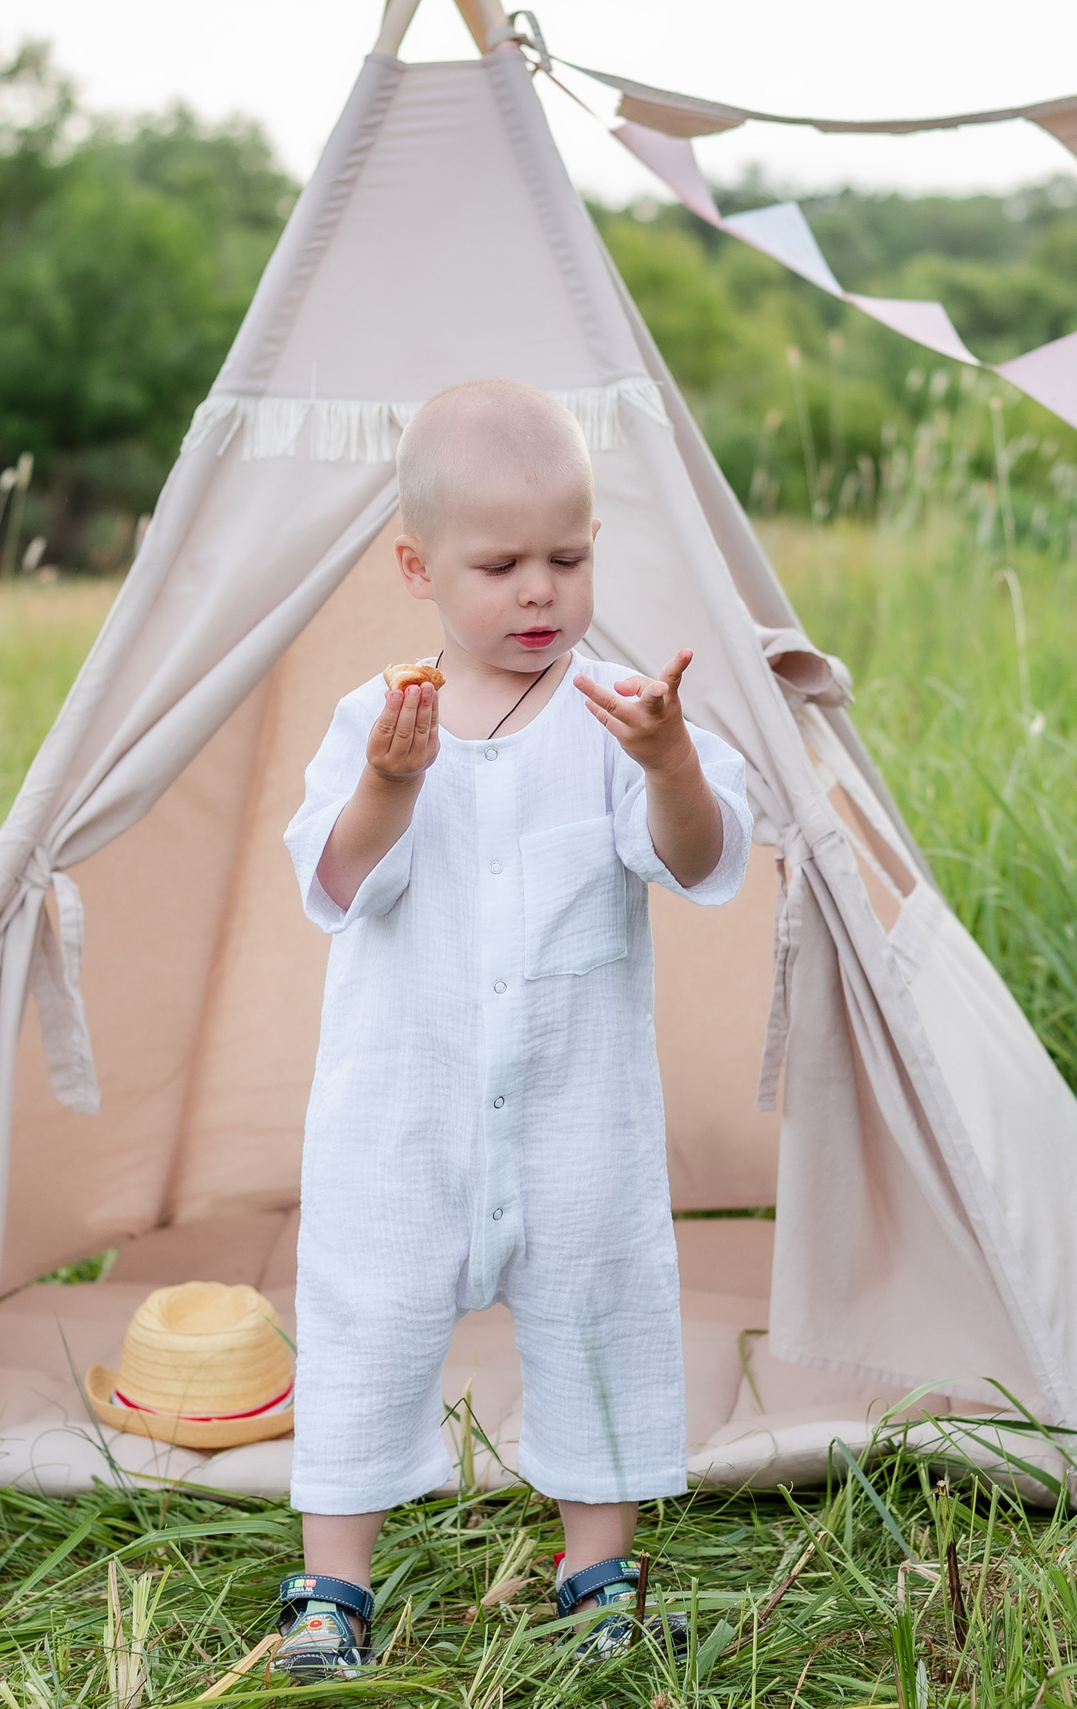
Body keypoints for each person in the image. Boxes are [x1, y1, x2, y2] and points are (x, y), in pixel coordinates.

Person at [274, 378, 751, 1680]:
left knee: (601, 1316)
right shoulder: (376, 722)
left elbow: (697, 859)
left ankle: (597, 1574)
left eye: (568, 558)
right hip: (401, 1115)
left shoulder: (616, 715)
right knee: (366, 1324)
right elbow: (335, 881)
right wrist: (389, 782)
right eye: (500, 567)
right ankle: (332, 1587)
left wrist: (669, 762)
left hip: (573, 1109)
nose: (540, 591)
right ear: (417, 567)